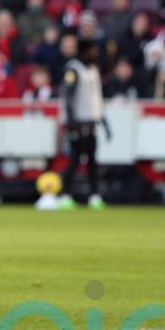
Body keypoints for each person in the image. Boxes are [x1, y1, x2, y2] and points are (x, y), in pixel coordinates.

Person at [58, 39, 111, 210]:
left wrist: (103, 120)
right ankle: (65, 195)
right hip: (78, 122)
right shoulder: (73, 69)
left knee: (92, 161)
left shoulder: (93, 70)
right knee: (74, 160)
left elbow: (96, 97)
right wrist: (71, 121)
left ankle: (94, 196)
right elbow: (68, 97)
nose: (94, 54)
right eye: (92, 50)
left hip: (91, 121)